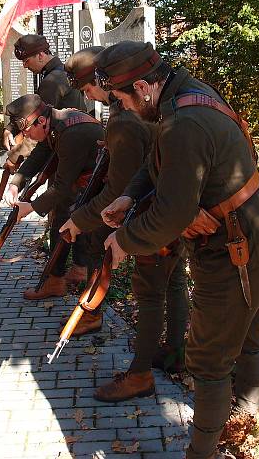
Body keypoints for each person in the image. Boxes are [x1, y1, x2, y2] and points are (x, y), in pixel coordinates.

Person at [97, 41, 259, 459]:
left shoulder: (182, 122)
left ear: (145, 87)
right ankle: (244, 417)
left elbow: (170, 214)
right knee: (249, 332)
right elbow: (157, 163)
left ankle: (202, 450)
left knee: (208, 357)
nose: (125, 110)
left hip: (236, 244)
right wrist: (131, 197)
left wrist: (123, 241)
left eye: (123, 99)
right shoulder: (182, 95)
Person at [59, 46, 190, 401]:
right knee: (174, 282)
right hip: (162, 207)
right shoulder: (139, 111)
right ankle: (175, 353)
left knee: (150, 293)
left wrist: (80, 220)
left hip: (151, 214)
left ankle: (140, 374)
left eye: (90, 89)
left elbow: (121, 184)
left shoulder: (125, 119)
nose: (90, 96)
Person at [3, 93, 104, 300]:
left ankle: (55, 281)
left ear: (41, 120)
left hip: (97, 184)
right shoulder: (57, 123)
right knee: (67, 220)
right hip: (84, 180)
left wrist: (30, 206)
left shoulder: (70, 134)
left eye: (27, 130)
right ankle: (75, 272)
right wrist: (15, 184)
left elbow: (62, 187)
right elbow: (40, 153)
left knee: (62, 223)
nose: (27, 136)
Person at [3, 34, 86, 165]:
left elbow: (39, 126)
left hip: (65, 152)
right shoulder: (59, 73)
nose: (24, 66)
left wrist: (14, 158)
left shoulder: (52, 81)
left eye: (26, 60)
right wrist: (10, 128)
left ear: (41, 55)